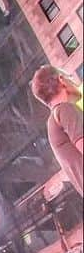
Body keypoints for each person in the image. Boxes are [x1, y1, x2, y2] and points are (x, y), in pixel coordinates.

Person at [31, 65, 83, 196]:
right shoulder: (65, 110)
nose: (72, 80)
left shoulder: (52, 122)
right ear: (61, 79)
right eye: (69, 76)